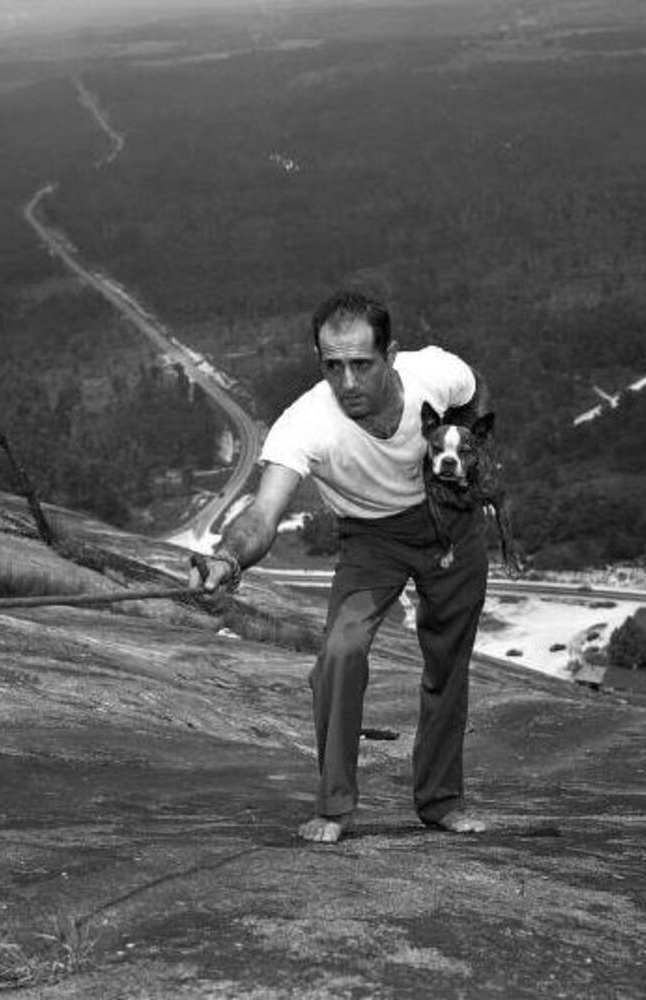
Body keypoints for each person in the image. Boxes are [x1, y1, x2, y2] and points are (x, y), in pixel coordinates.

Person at [190, 289, 491, 843]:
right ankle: (334, 806)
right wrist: (228, 559)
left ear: (390, 355)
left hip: (452, 528)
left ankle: (442, 801)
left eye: (361, 364)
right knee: (339, 653)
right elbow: (262, 513)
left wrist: (466, 450)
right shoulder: (306, 423)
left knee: (448, 663)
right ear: (319, 360)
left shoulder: (434, 373)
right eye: (333, 366)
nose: (347, 382)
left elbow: (474, 390)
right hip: (371, 540)